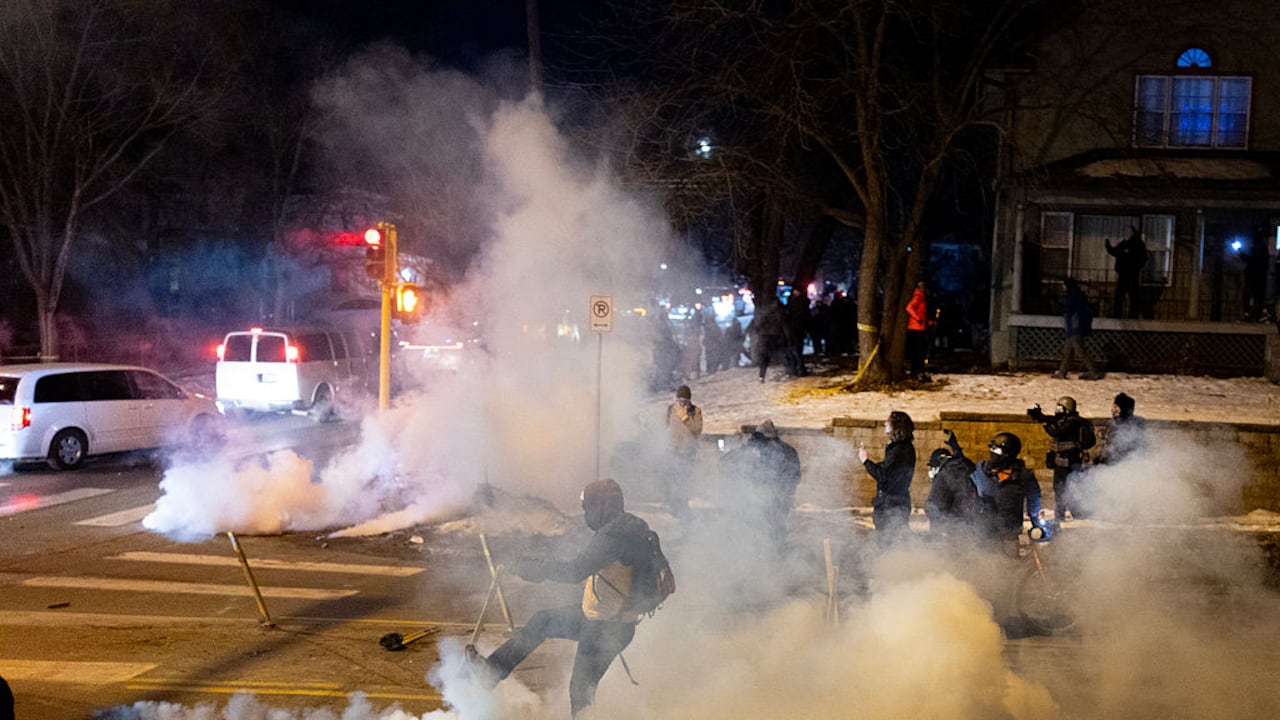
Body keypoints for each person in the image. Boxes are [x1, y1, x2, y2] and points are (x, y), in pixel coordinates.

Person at [466, 479, 657, 718]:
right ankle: (491, 672)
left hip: (604, 629)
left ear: (600, 506)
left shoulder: (613, 536)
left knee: (580, 692)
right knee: (543, 621)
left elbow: (574, 571)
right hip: (605, 621)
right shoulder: (630, 527)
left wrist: (528, 567)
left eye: (588, 507)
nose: (587, 513)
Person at [718, 419, 801, 550]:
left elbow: (724, 463)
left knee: (765, 528)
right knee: (772, 528)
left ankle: (770, 554)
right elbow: (795, 477)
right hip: (769, 497)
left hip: (768, 497)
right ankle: (774, 553)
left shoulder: (756, 449)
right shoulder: (785, 450)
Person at [968, 432, 1046, 555]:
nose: (993, 453)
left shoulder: (1023, 475)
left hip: (1009, 531)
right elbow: (963, 479)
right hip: (985, 530)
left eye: (997, 450)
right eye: (992, 448)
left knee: (1010, 566)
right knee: (985, 565)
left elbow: (1034, 498)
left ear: (1008, 454)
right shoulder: (980, 471)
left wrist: (1035, 522)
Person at [1028, 396, 1096, 523]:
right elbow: (1053, 420)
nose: (1057, 410)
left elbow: (1057, 432)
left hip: (1070, 461)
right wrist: (1041, 416)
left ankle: (1072, 515)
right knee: (1060, 489)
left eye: (1060, 408)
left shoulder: (1073, 422)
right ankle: (1063, 514)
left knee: (1068, 489)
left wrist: (1045, 424)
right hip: (1062, 462)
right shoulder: (1066, 420)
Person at [859, 411, 916, 538]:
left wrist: (865, 461)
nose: (885, 423)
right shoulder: (905, 448)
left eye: (888, 421)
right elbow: (890, 470)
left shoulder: (899, 450)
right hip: (897, 504)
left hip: (891, 506)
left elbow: (883, 475)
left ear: (896, 426)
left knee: (888, 544)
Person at [923, 430, 988, 541]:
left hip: (952, 534)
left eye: (932, 468)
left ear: (937, 467)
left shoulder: (945, 477)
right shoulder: (962, 470)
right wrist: (956, 449)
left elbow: (936, 507)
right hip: (973, 531)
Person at [664, 385, 703, 518]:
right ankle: (674, 505)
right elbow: (665, 427)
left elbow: (697, 430)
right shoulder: (670, 409)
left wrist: (686, 417)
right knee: (673, 478)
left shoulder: (695, 411)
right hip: (673, 450)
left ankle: (683, 506)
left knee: (684, 479)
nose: (682, 403)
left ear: (689, 400)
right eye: (680, 400)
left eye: (684, 401)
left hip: (688, 452)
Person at [1055, 277, 1102, 380]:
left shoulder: (1073, 296)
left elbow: (1070, 309)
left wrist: (1059, 303)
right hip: (1075, 326)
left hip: (1075, 326)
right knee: (1068, 351)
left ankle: (1094, 372)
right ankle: (1062, 372)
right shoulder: (1077, 295)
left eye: (1064, 285)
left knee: (1079, 351)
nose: (1063, 287)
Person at [1104, 226, 1148, 319]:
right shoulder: (1124, 244)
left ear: (1132, 233)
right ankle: (1119, 315)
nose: (1125, 234)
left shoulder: (1137, 244)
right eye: (1125, 232)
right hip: (1123, 274)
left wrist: (1135, 266)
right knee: (1121, 296)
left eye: (1127, 232)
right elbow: (1115, 251)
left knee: (1132, 296)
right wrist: (1108, 246)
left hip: (1131, 274)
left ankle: (1131, 315)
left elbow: (1143, 258)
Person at [1096, 392, 1146, 466]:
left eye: (1116, 407)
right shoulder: (1114, 422)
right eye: (1113, 407)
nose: (1113, 410)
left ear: (1124, 409)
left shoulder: (1132, 425)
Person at [905, 281, 932, 380]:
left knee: (917, 351)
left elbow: (921, 313)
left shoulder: (921, 297)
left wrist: (927, 322)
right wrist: (918, 318)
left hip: (919, 327)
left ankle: (917, 370)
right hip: (915, 328)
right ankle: (917, 371)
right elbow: (909, 308)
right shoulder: (918, 297)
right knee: (917, 351)